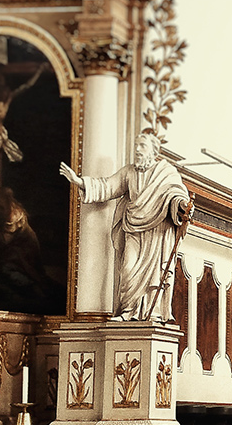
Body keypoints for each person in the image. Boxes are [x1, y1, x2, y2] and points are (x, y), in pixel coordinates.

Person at [60, 130, 192, 321]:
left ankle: (151, 314)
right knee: (128, 270)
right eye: (136, 146)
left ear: (154, 151)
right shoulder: (129, 172)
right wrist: (78, 181)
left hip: (156, 233)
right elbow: (108, 186)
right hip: (133, 230)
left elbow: (177, 196)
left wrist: (181, 206)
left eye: (142, 146)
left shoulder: (167, 173)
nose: (137, 150)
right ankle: (128, 312)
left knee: (155, 275)